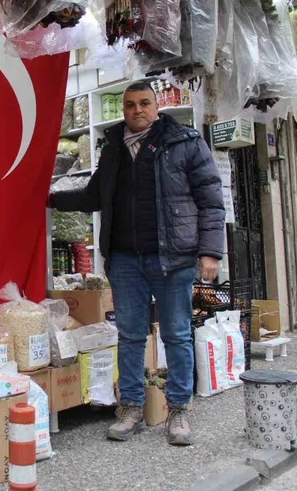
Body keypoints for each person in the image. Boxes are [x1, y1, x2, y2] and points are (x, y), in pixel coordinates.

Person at [49, 82, 225, 446]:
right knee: (129, 336)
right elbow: (94, 196)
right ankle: (129, 408)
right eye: (130, 105)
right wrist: (49, 198)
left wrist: (210, 252)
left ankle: (178, 410)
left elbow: (210, 200)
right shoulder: (113, 147)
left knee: (176, 335)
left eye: (145, 103)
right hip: (125, 259)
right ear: (124, 110)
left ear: (157, 107)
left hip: (172, 258)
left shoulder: (185, 142)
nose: (137, 110)